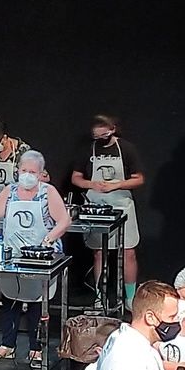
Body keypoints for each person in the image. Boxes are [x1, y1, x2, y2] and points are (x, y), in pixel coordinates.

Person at [0, 149, 69, 366]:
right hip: (13, 253)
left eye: (32, 171)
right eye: (24, 170)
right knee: (10, 298)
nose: (27, 175)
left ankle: (36, 347)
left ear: (40, 174)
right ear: (17, 171)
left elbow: (64, 221)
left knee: (38, 301)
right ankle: (7, 345)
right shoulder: (10, 191)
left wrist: (49, 238)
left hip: (40, 255)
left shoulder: (48, 192)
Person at [70, 114, 145, 300]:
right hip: (96, 206)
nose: (100, 140)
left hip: (122, 205)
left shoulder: (127, 149)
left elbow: (139, 179)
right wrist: (91, 185)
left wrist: (116, 185)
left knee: (128, 252)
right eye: (96, 137)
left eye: (103, 136)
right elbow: (76, 177)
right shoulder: (88, 149)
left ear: (112, 130)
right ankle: (99, 296)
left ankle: (129, 298)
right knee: (99, 252)